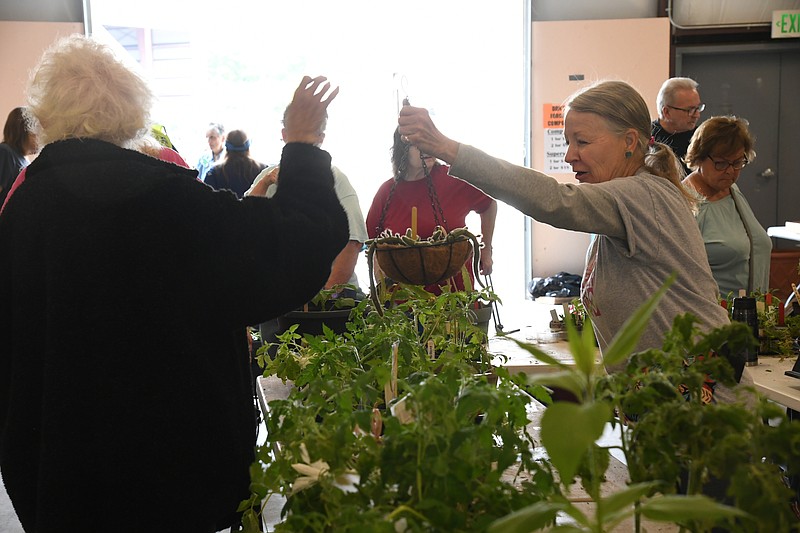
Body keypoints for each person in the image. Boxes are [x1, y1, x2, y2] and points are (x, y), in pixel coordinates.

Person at [0, 34, 347, 533]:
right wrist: (302, 143)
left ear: (44, 114)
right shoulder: (174, 202)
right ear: (133, 108)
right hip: (175, 478)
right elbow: (294, 246)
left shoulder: (23, 214)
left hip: (59, 479)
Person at [396, 80, 733, 378]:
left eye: (582, 142)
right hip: (666, 395)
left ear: (630, 140)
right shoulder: (626, 199)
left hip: (701, 399)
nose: (570, 155)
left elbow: (556, 200)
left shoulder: (643, 195)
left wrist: (446, 148)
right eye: (568, 142)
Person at [246, 106, 368, 292]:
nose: (304, 143)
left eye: (311, 134)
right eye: (298, 134)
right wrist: (265, 182)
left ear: (321, 138)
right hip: (278, 296)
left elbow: (353, 243)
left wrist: (325, 296)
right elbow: (247, 226)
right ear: (284, 134)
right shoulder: (266, 177)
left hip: (333, 299)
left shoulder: (337, 180)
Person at [365, 126, 497, 293]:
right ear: (402, 149)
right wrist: (381, 280)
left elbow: (488, 204)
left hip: (455, 295)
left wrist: (486, 249)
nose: (427, 149)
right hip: (405, 301)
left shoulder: (453, 178)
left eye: (430, 142)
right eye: (419, 144)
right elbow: (374, 244)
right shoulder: (387, 192)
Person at [683, 116, 771, 297]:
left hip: (749, 313)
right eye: (721, 163)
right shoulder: (686, 200)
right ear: (699, 157)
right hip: (713, 317)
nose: (730, 170)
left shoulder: (731, 190)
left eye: (737, 162)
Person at [651, 77, 705, 176]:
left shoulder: (702, 138)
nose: (697, 115)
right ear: (666, 112)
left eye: (698, 108)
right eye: (690, 110)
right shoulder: (645, 138)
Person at [203, 129, 266, 198]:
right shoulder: (264, 171)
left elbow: (206, 200)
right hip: (254, 208)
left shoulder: (214, 173)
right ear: (248, 146)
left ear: (226, 147)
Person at [0, 107, 37, 207]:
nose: (39, 137)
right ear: (24, 130)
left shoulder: (25, 161)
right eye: (36, 132)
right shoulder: (5, 152)